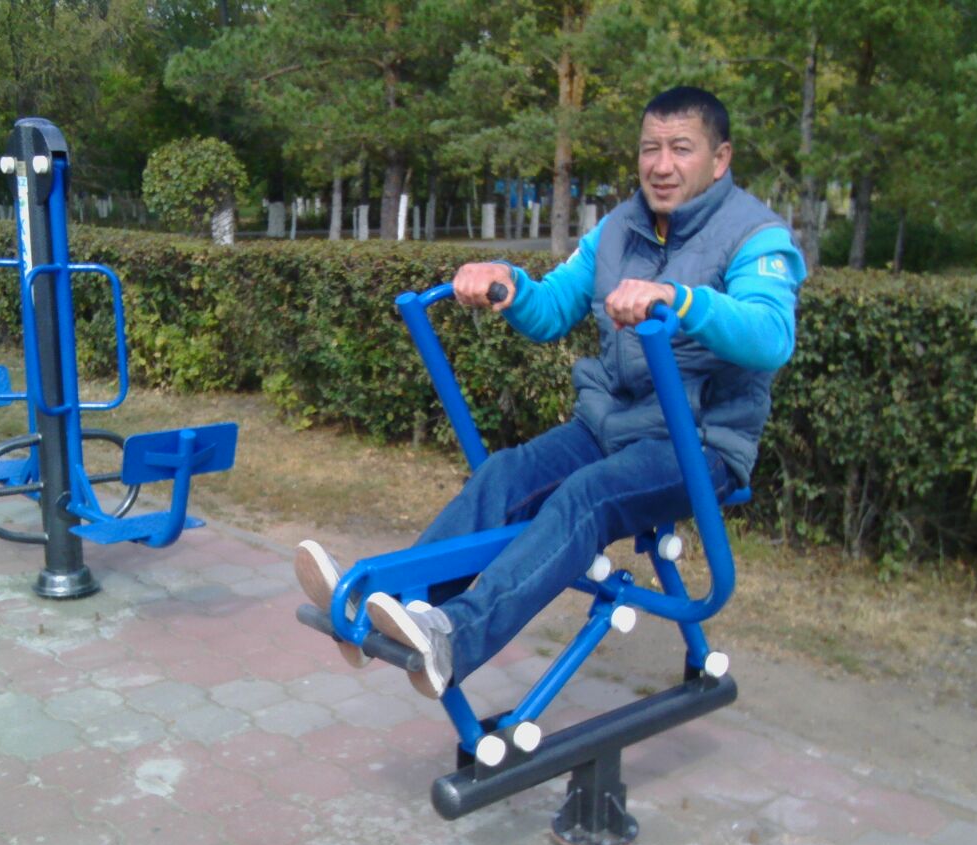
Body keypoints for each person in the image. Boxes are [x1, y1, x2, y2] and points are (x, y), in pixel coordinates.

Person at [296, 85, 806, 701]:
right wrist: (508, 283)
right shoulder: (619, 229)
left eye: (681, 149)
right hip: (608, 426)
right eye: (650, 148)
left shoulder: (756, 236)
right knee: (505, 475)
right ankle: (387, 607)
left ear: (719, 159)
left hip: (697, 443)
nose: (661, 165)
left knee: (588, 496)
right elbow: (553, 307)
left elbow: (771, 336)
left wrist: (681, 300)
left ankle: (454, 637)